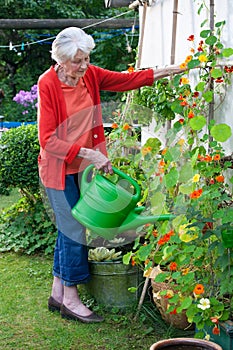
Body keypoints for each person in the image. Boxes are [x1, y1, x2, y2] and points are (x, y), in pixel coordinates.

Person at [37, 26, 184, 323]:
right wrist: (90, 153)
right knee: (74, 231)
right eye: (77, 61)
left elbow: (126, 81)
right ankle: (70, 298)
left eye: (87, 58)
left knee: (69, 230)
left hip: (85, 171)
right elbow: (48, 140)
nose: (84, 66)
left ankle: (57, 292)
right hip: (59, 170)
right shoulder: (48, 84)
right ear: (61, 60)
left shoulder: (89, 75)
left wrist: (168, 71)